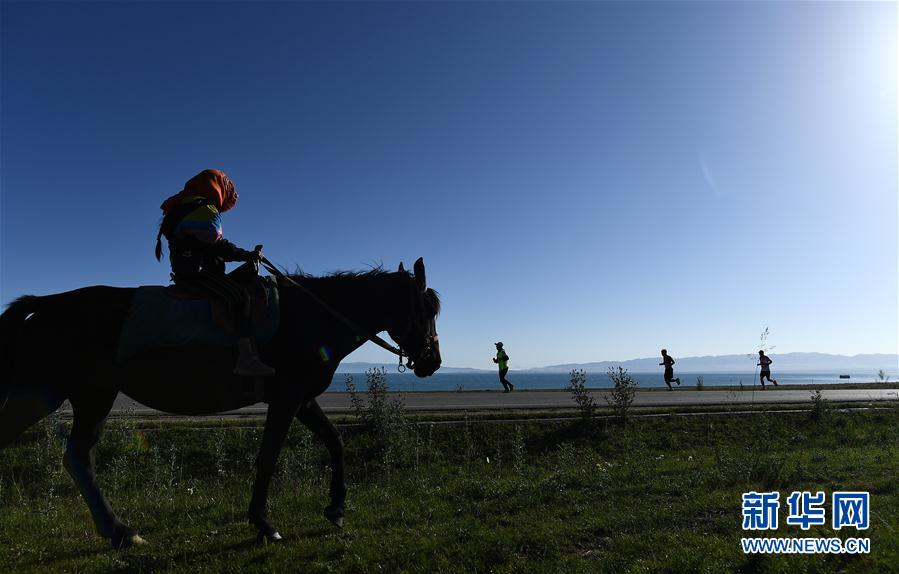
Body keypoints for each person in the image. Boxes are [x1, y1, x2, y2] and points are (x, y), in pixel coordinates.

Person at [155, 169, 276, 377]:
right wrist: (247, 255)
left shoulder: (183, 206)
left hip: (186, 270)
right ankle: (246, 358)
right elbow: (217, 245)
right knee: (240, 297)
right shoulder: (204, 208)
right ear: (217, 187)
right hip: (198, 274)